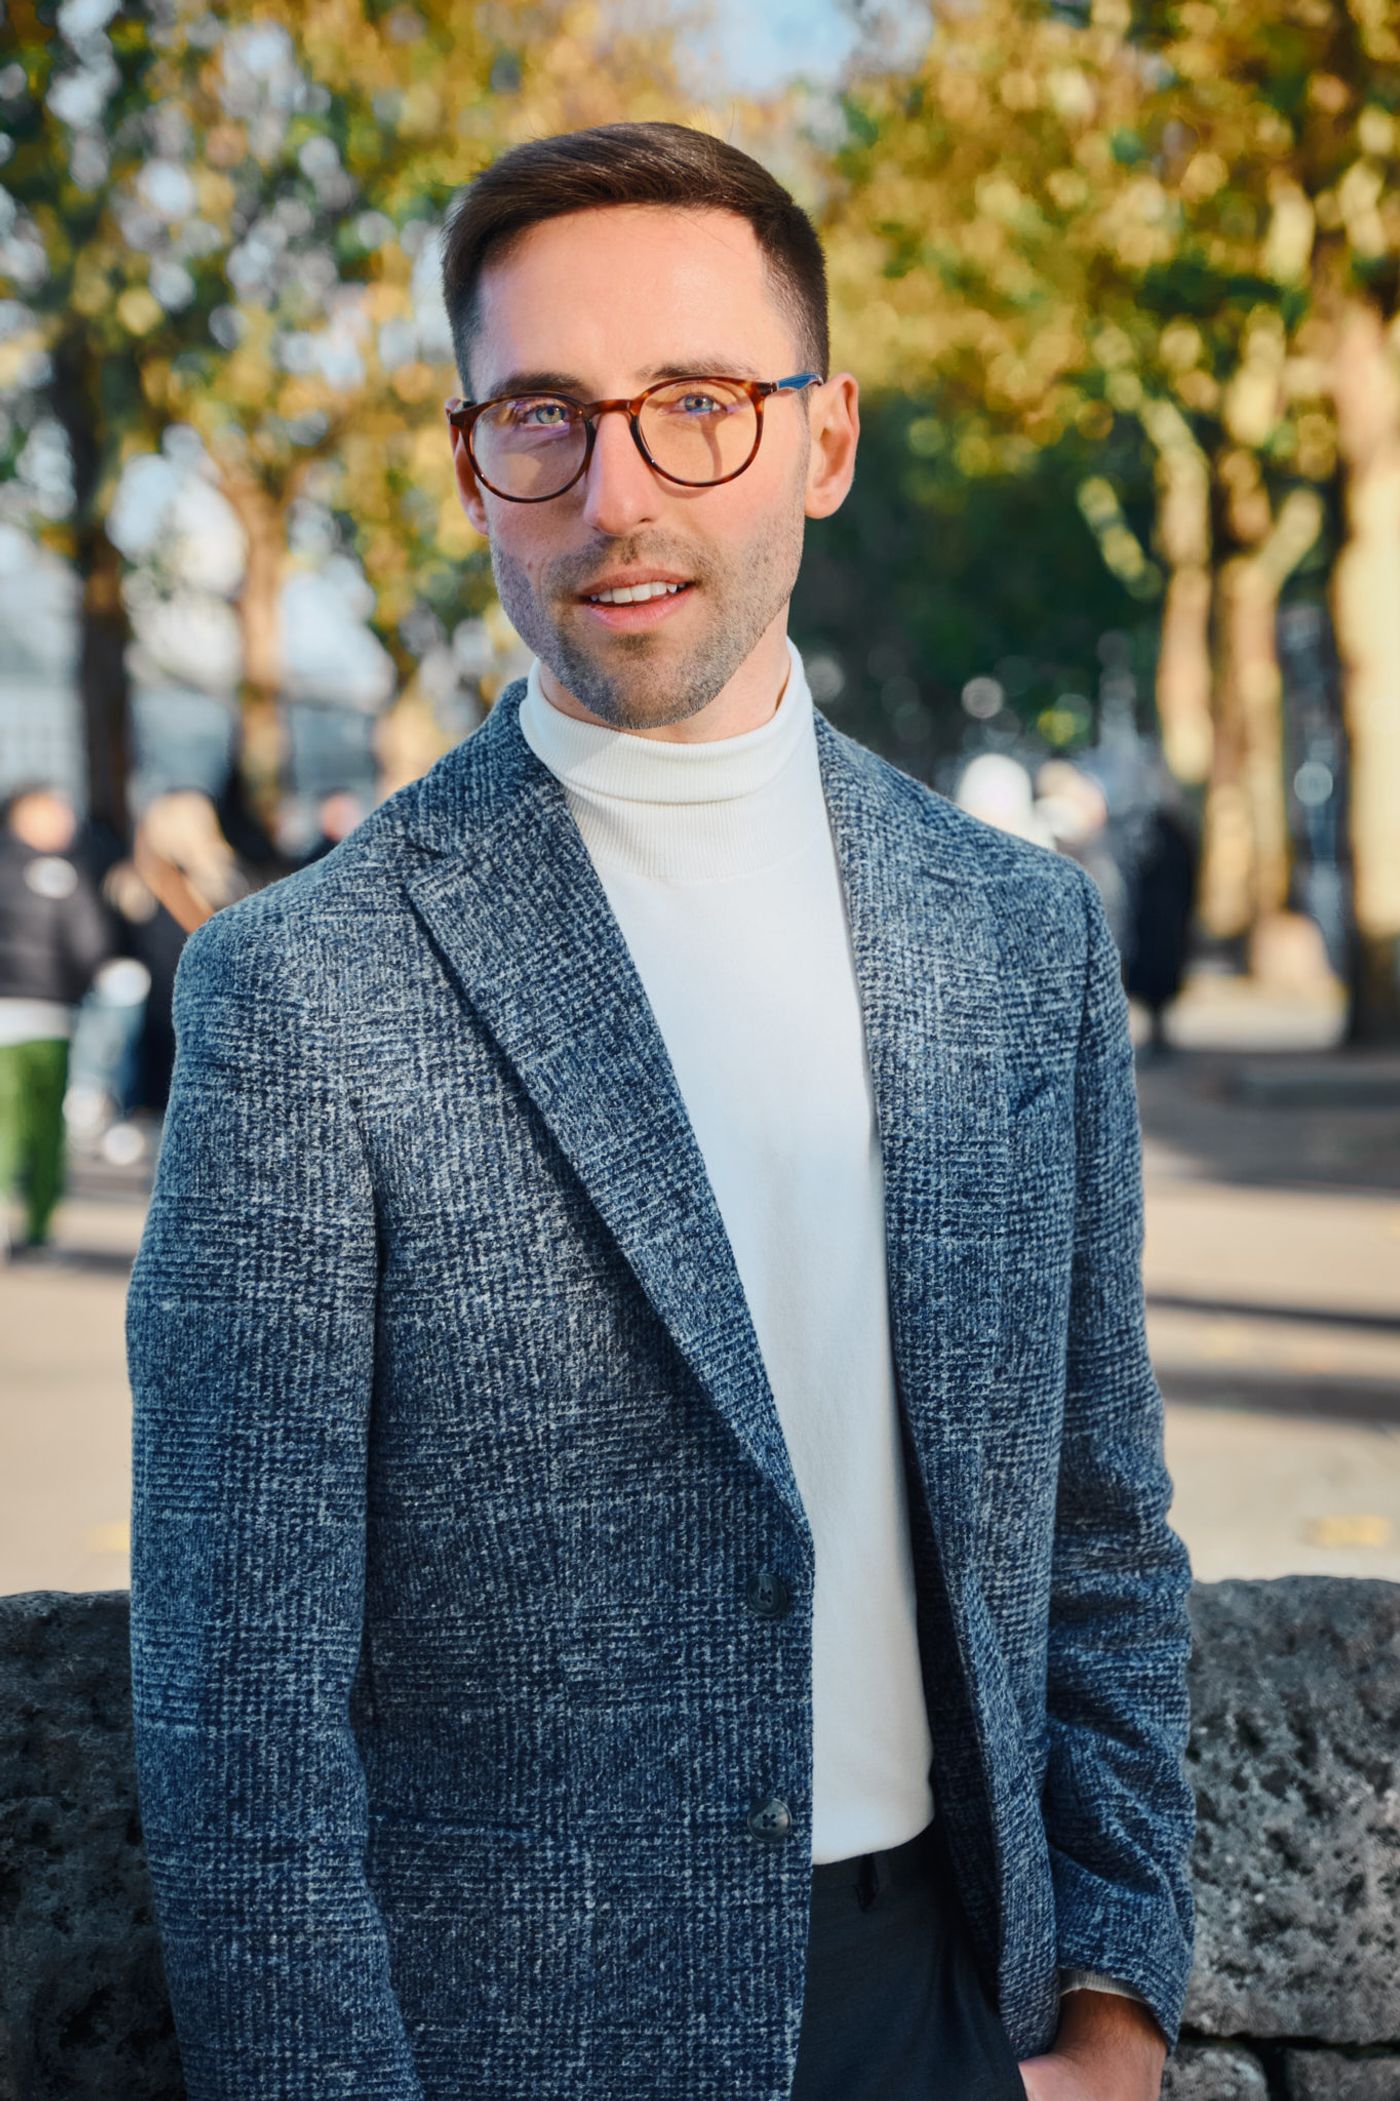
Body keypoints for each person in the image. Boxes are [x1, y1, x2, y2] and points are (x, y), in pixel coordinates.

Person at [126, 122, 1194, 2101]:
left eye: (695, 404)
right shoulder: (301, 988)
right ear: (473, 466)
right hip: (512, 2049)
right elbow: (238, 1716)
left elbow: (1097, 1528)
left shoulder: (1019, 939)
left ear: (824, 437)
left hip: (954, 2001)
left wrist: (1115, 2006)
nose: (618, 492)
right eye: (543, 416)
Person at [0, 781, 113, 1258]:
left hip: (23, 1015)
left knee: (14, 1124)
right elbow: (89, 944)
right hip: (45, 1016)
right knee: (42, 1128)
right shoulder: (61, 875)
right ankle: (40, 1230)